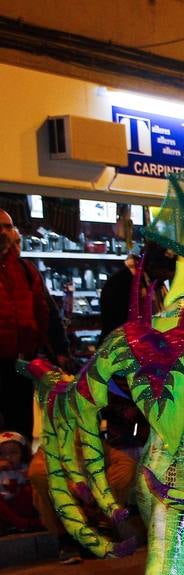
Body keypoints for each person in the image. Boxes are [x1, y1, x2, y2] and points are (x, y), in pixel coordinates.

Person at [0, 209, 67, 438]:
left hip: (21, 363)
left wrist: (59, 351)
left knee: (20, 429)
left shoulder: (26, 271)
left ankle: (20, 472)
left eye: (8, 227)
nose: (4, 233)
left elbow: (45, 315)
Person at [98, 240, 177, 344]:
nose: (170, 276)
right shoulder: (123, 283)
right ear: (154, 265)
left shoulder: (154, 282)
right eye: (169, 271)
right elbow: (120, 328)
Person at [0, 430, 40, 534]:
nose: (7, 457)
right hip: (5, 509)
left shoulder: (26, 468)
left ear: (22, 453)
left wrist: (29, 476)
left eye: (13, 452)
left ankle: (23, 523)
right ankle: (20, 523)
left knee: (31, 490)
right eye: (1, 453)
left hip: (21, 506)